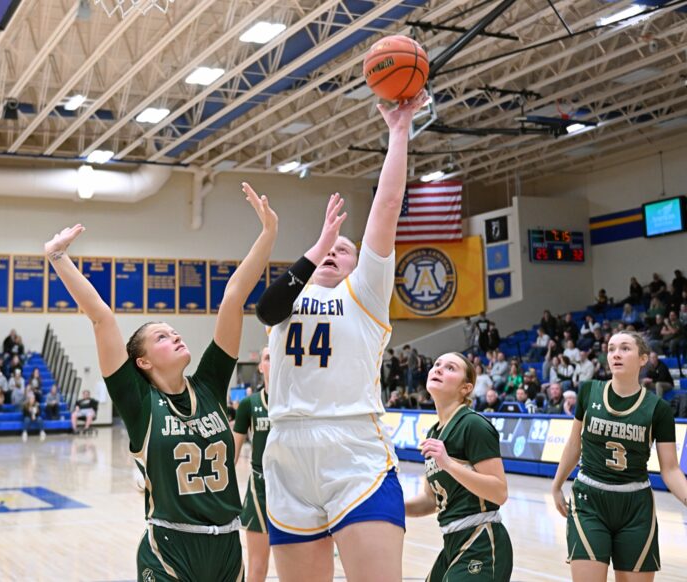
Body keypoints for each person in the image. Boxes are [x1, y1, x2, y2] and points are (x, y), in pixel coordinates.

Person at [44, 181, 276, 582]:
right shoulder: (139, 403)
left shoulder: (208, 385)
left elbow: (234, 297)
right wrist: (59, 257)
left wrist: (269, 233)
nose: (176, 336)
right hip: (170, 549)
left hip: (226, 546)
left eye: (175, 331)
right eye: (162, 336)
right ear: (143, 361)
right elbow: (102, 318)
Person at [255, 91, 426, 582]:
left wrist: (398, 133)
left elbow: (388, 206)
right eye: (330, 247)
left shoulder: (365, 295)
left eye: (344, 249)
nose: (336, 253)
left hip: (353, 443)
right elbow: (265, 310)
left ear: (358, 264)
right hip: (287, 448)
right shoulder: (286, 300)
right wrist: (317, 247)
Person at [551, 331, 687, 581]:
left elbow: (670, 470)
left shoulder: (658, 409)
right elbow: (573, 444)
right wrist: (557, 484)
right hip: (589, 500)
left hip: (636, 506)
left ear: (643, 358)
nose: (615, 354)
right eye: (611, 348)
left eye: (625, 348)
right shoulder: (589, 391)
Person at [405, 353, 513, 581]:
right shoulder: (434, 432)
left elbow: (499, 492)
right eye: (436, 364)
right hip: (452, 541)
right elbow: (430, 501)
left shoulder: (473, 425)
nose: (439, 369)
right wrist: (388, 504)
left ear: (466, 388)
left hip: (482, 539)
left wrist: (449, 463)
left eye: (450, 367)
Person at [232, 347, 272, 582]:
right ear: (260, 366)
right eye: (267, 357)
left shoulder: (299, 403)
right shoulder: (250, 404)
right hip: (260, 488)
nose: (273, 361)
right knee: (257, 568)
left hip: (294, 488)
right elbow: (233, 455)